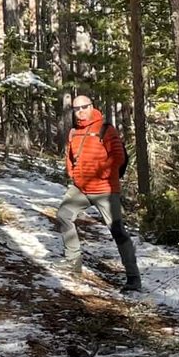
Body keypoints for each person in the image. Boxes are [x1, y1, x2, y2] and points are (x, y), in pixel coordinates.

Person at [56, 94, 142, 292]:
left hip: (105, 190)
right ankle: (73, 263)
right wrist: (73, 173)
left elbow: (118, 157)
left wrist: (101, 174)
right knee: (63, 215)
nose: (80, 112)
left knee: (117, 231)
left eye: (83, 107)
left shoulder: (105, 129)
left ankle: (133, 278)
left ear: (91, 106)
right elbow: (70, 157)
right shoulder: (74, 132)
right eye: (76, 109)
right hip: (81, 188)